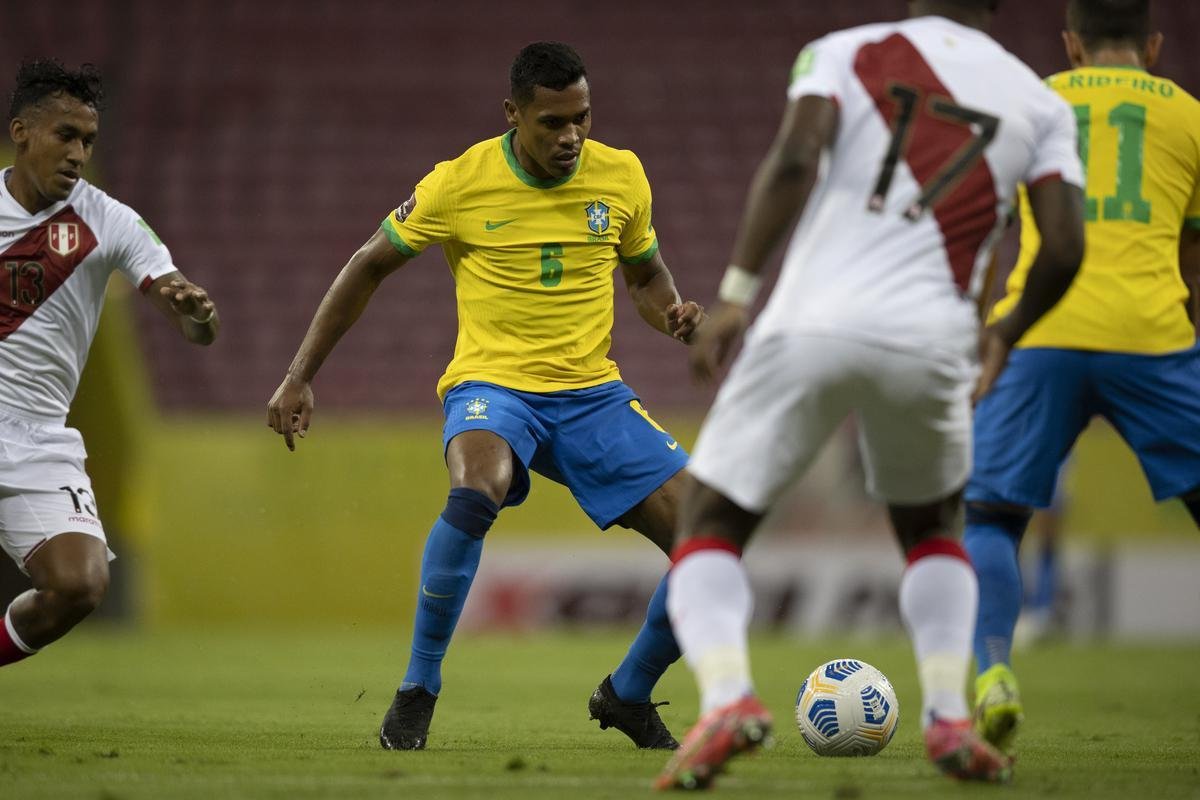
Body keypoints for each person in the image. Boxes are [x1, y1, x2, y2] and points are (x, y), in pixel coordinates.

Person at [655, 0, 1087, 789]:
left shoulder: (844, 52)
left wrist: (737, 294)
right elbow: (1063, 245)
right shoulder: (1040, 101)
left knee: (710, 521)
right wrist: (1006, 332)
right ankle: (948, 717)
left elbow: (794, 159)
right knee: (932, 529)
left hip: (810, 322)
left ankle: (726, 700)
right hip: (934, 340)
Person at [267, 42, 704, 752]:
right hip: (494, 386)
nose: (571, 137)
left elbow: (647, 278)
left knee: (711, 545)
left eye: (582, 118)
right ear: (513, 114)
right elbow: (367, 265)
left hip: (592, 395)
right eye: (552, 123)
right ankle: (418, 688)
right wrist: (299, 374)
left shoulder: (622, 175)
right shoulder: (459, 182)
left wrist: (674, 314)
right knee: (478, 488)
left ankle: (627, 694)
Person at [966, 0, 1200, 757]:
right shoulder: (1191, 118)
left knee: (990, 516)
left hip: (1040, 331)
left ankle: (993, 671)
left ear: (1071, 44)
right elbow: (1194, 254)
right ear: (1153, 47)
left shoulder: (1031, 101)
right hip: (1153, 334)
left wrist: (979, 332)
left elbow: (987, 229)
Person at [0, 60, 219, 669]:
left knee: (79, 585)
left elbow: (192, 323)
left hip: (39, 437)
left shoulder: (109, 219)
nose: (78, 153)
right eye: (65, 135)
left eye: (88, 141)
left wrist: (196, 313)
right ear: (22, 132)